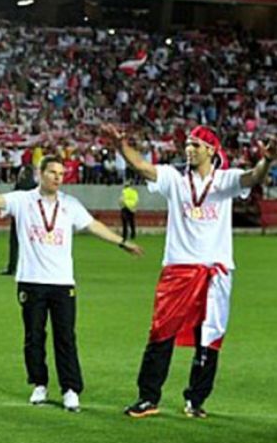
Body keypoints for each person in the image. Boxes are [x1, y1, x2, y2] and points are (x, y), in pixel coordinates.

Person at [106, 124, 273, 419]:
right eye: (188, 144)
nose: (189, 149)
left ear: (211, 150)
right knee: (160, 331)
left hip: (216, 271)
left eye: (196, 145)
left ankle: (195, 400)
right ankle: (148, 397)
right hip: (179, 268)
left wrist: (268, 160)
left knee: (209, 336)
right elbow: (143, 167)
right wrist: (122, 146)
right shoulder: (174, 179)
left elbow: (254, 177)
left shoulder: (226, 180)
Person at [0, 157, 144, 412]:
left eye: (61, 173)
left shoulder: (70, 204)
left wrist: (121, 242)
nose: (58, 177)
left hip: (62, 282)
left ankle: (71, 389)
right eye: (52, 172)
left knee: (66, 337)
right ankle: (39, 384)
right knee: (34, 336)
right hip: (31, 281)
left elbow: (93, 225)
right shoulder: (23, 199)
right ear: (41, 173)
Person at [1, 163, 38, 275]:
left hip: (18, 216)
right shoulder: (36, 186)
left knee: (14, 243)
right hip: (31, 219)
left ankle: (12, 267)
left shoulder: (19, 186)